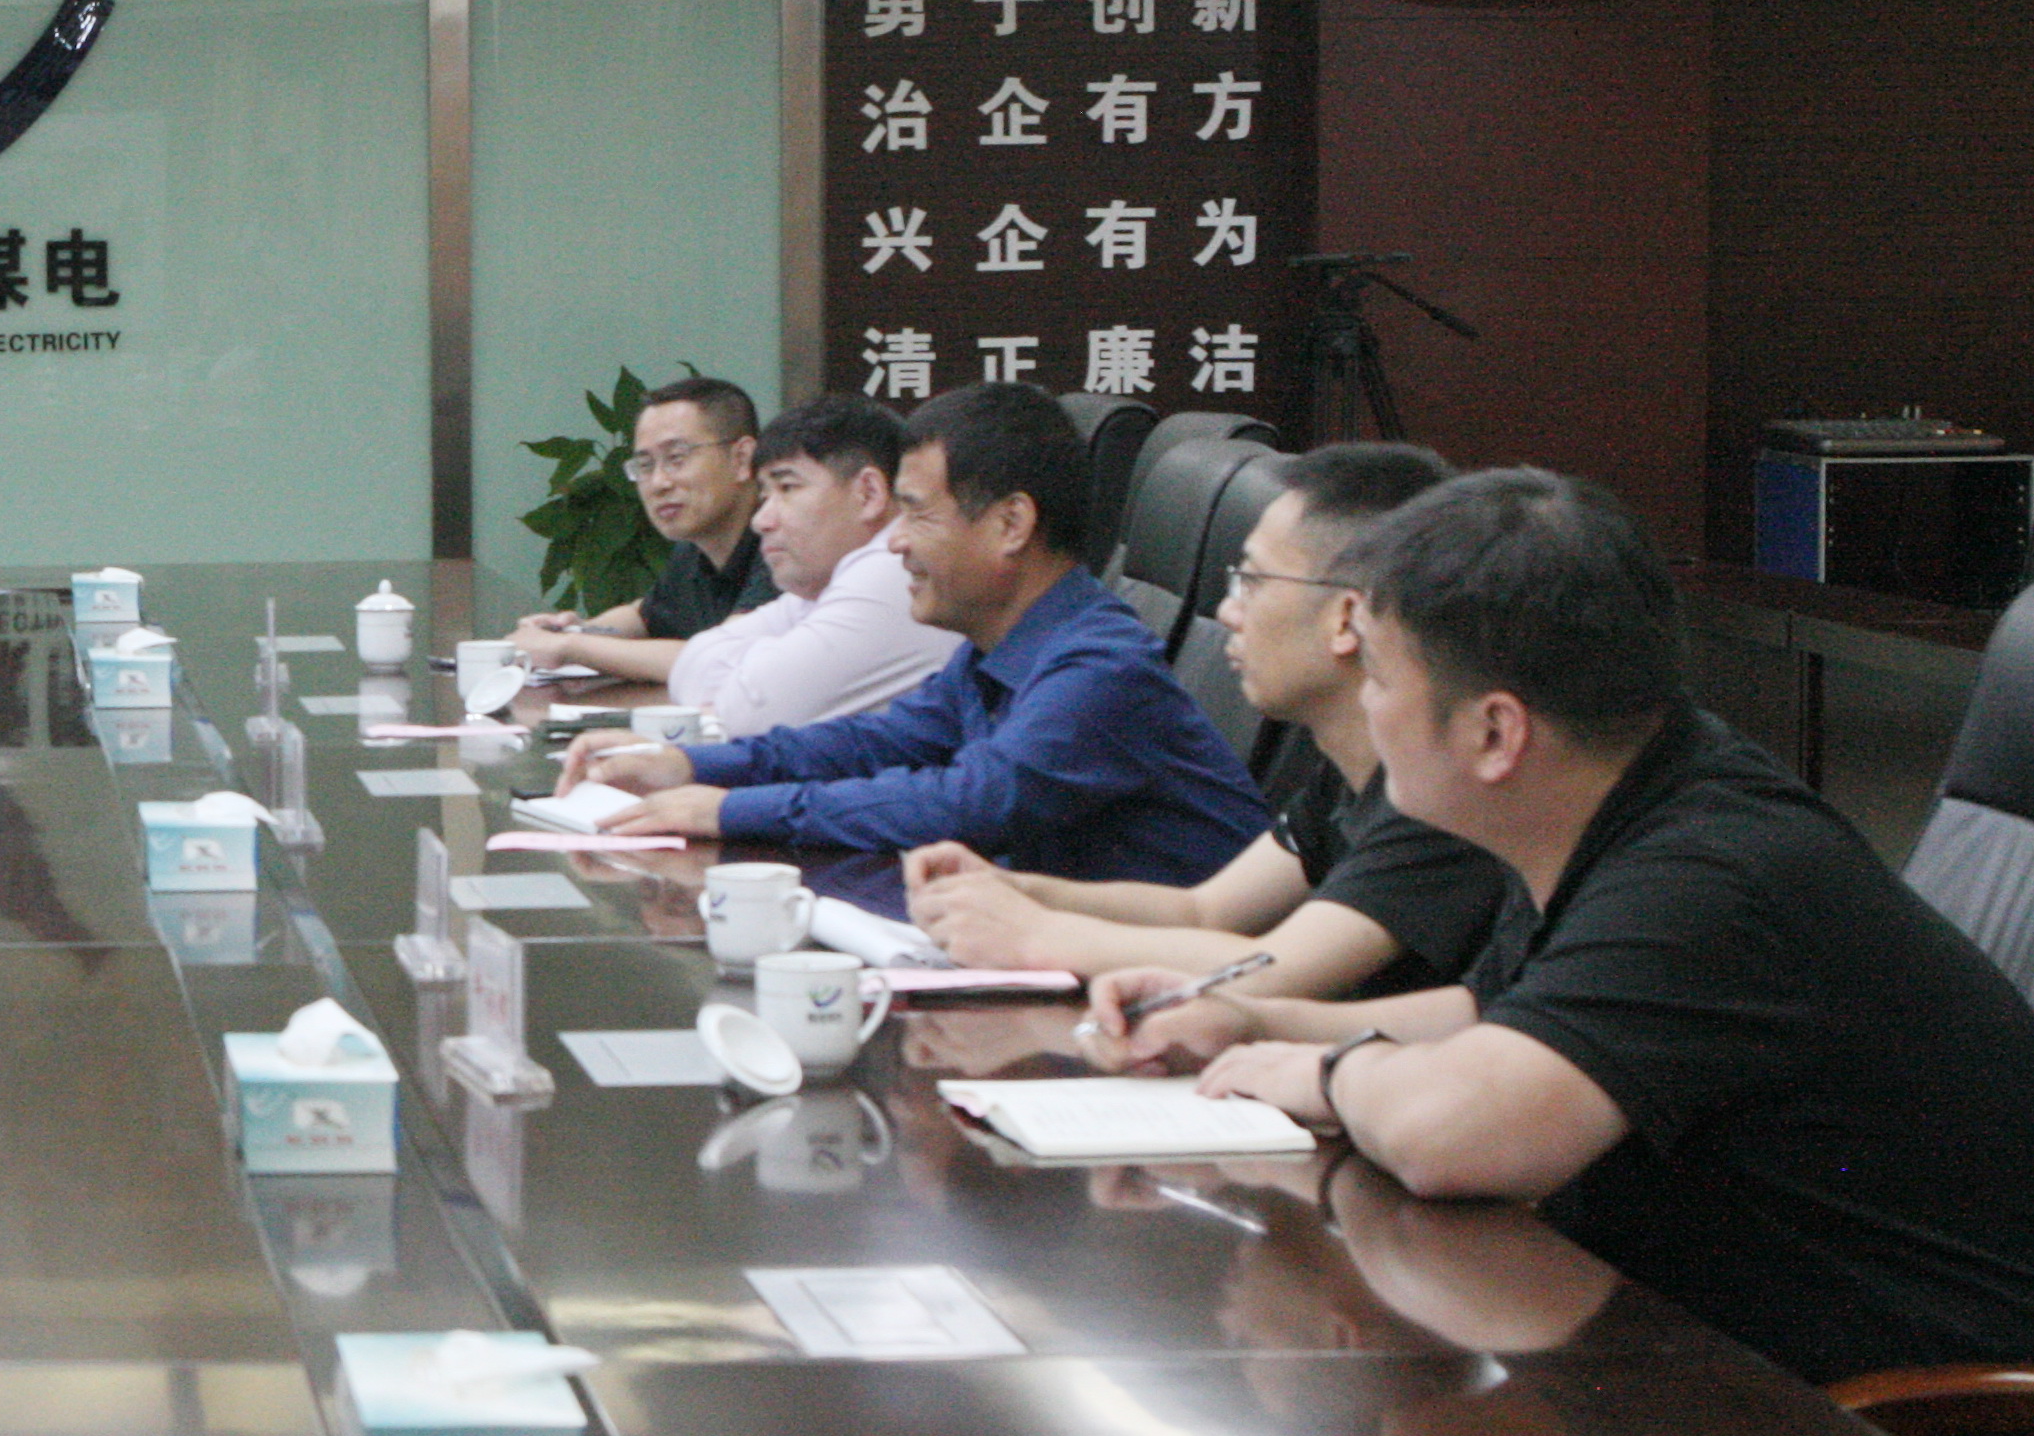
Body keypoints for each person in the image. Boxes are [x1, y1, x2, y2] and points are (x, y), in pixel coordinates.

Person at [1183, 468, 2034, 1404]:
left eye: (1381, 678)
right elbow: (1498, 1016)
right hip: (1732, 1390)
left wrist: (1330, 1073)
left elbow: (1453, 1136)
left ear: (1496, 734)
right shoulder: (1622, 789)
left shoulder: (1713, 878)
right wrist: (1254, 1024)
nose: (1366, 706)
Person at [910, 441, 1517, 1010]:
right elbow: (1204, 910)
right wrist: (1014, 891)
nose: (1227, 611)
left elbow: (1275, 968)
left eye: (1252, 581)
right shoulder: (1348, 772)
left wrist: (1037, 934)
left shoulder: (1441, 795)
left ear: (1346, 618)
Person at [599, 379, 1265, 880]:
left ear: (1010, 525)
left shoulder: (1098, 665)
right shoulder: (993, 650)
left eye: (916, 515)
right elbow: (875, 742)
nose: (895, 544)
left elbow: (967, 804)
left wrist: (723, 810)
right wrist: (689, 765)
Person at [555, 392, 954, 766]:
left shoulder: (894, 570)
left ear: (868, 493)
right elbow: (690, 666)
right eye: (765, 495)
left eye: (787, 488)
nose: (762, 520)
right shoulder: (820, 578)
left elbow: (746, 718)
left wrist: (569, 646)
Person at [513, 374, 764, 684]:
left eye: (677, 458)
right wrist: (577, 629)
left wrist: (569, 647)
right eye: (645, 465)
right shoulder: (696, 546)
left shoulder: (785, 541)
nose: (658, 483)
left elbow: (726, 660)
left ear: (742, 458)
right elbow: (644, 615)